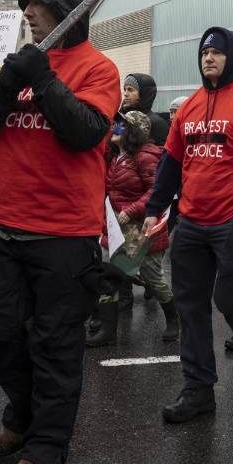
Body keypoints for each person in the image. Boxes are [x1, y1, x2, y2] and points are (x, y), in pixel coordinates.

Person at [0, 0, 121, 464]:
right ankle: (26, 410)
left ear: (68, 10)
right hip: (3, 225)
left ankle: (46, 443)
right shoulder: (21, 64)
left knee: (55, 344)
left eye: (38, 4)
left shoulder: (99, 69)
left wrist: (42, 79)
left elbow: (84, 131)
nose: (27, 12)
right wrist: (8, 82)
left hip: (64, 234)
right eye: (25, 4)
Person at [141, 28, 233, 423]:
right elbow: (170, 164)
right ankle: (198, 389)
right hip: (190, 222)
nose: (209, 58)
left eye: (217, 53)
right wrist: (155, 209)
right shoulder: (188, 107)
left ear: (232, 57)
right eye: (204, 52)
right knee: (190, 308)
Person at [88, 110, 177, 347]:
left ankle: (174, 319)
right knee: (108, 275)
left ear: (133, 132)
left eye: (121, 125)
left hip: (143, 230)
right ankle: (107, 331)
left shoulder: (145, 156)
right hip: (117, 230)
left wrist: (132, 210)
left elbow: (157, 190)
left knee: (152, 278)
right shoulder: (115, 156)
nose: (114, 129)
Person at [121, 72, 169, 145]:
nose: (125, 94)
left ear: (144, 93)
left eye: (130, 90)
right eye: (125, 89)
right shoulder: (120, 117)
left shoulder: (157, 123)